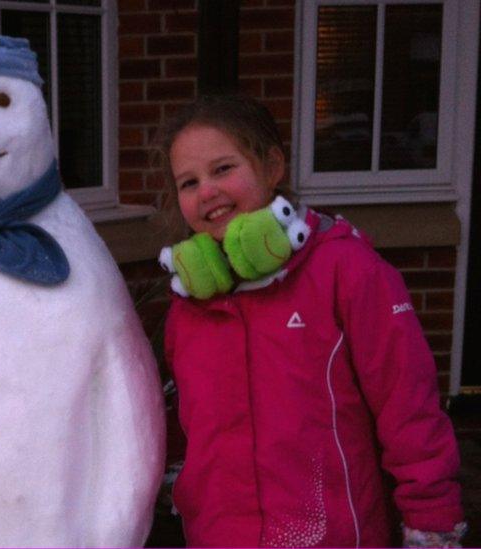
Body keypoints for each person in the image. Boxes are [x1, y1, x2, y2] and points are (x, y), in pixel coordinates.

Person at [157, 94, 465, 547]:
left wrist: (432, 522)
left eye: (223, 169)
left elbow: (410, 411)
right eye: (188, 182)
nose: (207, 191)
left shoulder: (346, 271)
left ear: (272, 166)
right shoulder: (189, 309)